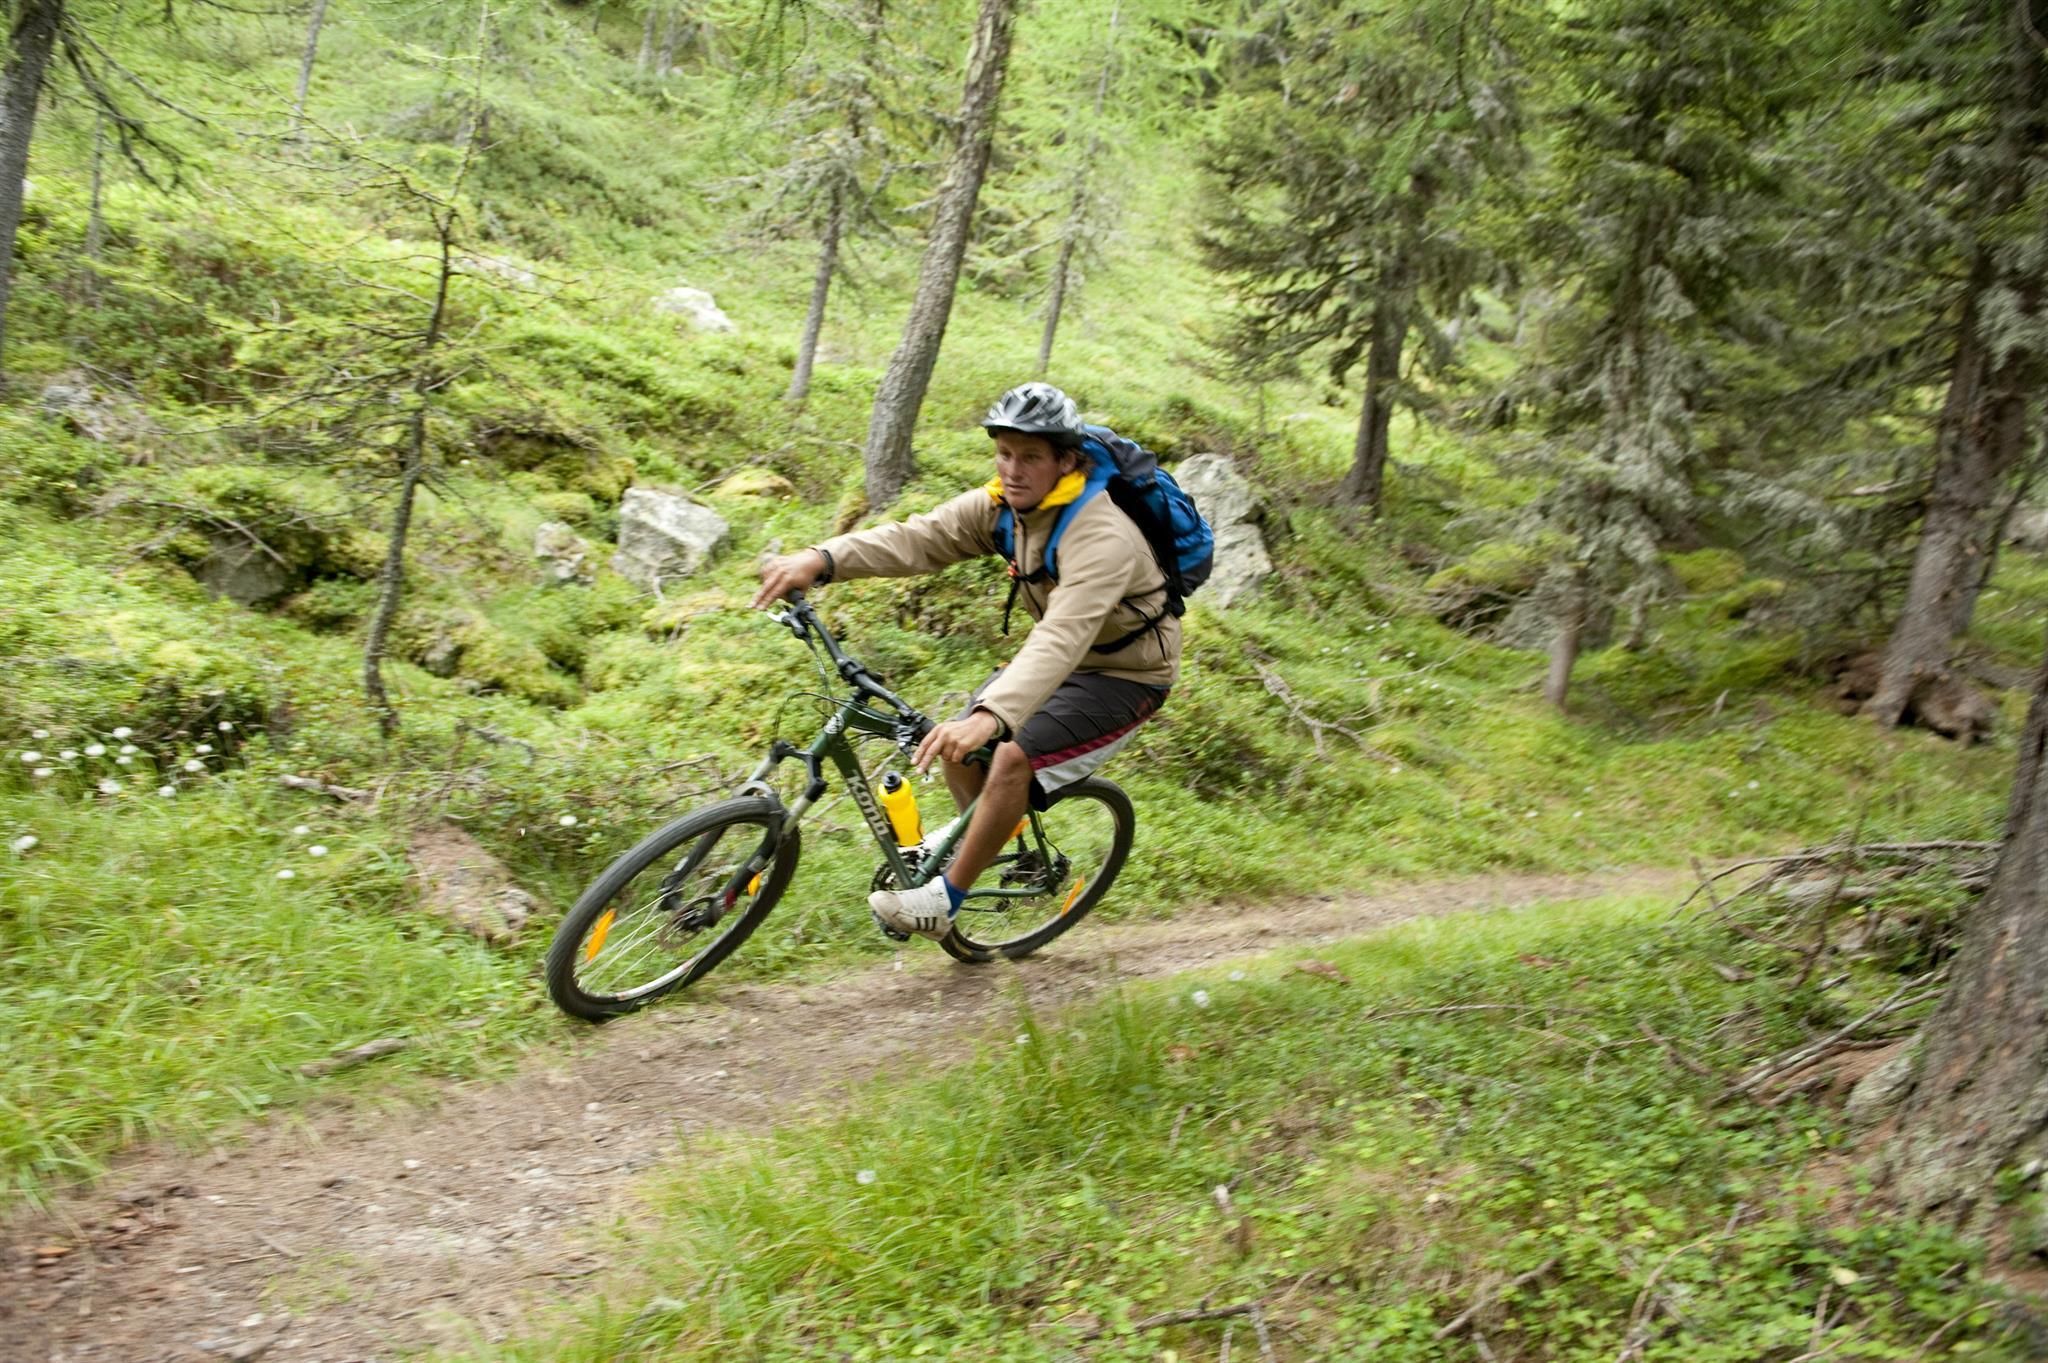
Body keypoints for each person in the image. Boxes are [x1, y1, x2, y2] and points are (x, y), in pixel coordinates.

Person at [752, 382, 1182, 940]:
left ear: (1066, 461)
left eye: (1030, 457)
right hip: (1064, 662)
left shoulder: (1102, 536)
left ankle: (944, 900)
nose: (1013, 470)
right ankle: (986, 834)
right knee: (961, 748)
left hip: (1127, 675)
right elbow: (918, 539)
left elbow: (1062, 634)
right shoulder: (1003, 506)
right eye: (1004, 453)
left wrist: (992, 715)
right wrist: (823, 558)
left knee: (1008, 756)